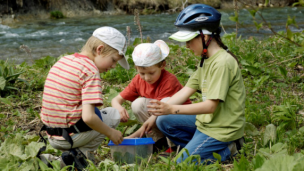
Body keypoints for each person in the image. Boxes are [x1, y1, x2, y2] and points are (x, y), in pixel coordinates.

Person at [148, 4, 246, 164]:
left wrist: (171, 108)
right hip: (207, 122)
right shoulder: (205, 60)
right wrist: (156, 114)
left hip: (222, 129)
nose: (186, 46)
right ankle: (199, 148)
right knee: (163, 120)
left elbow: (210, 106)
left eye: (189, 40)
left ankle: (229, 148)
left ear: (205, 37)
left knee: (182, 164)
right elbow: (185, 91)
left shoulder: (222, 63)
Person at [39, 26, 129, 167]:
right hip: (69, 137)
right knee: (112, 114)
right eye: (113, 60)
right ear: (99, 50)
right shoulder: (90, 71)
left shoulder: (64, 60)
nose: (113, 66)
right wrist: (111, 133)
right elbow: (88, 118)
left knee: (97, 113)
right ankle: (81, 158)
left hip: (51, 134)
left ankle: (61, 159)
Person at [111, 40, 191, 151]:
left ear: (162, 65)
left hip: (179, 119)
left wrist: (130, 138)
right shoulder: (138, 80)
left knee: (166, 101)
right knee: (138, 104)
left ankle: (174, 144)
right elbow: (116, 99)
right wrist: (118, 107)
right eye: (142, 73)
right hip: (158, 115)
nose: (147, 78)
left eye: (151, 73)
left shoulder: (169, 81)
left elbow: (161, 111)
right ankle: (158, 141)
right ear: (136, 68)